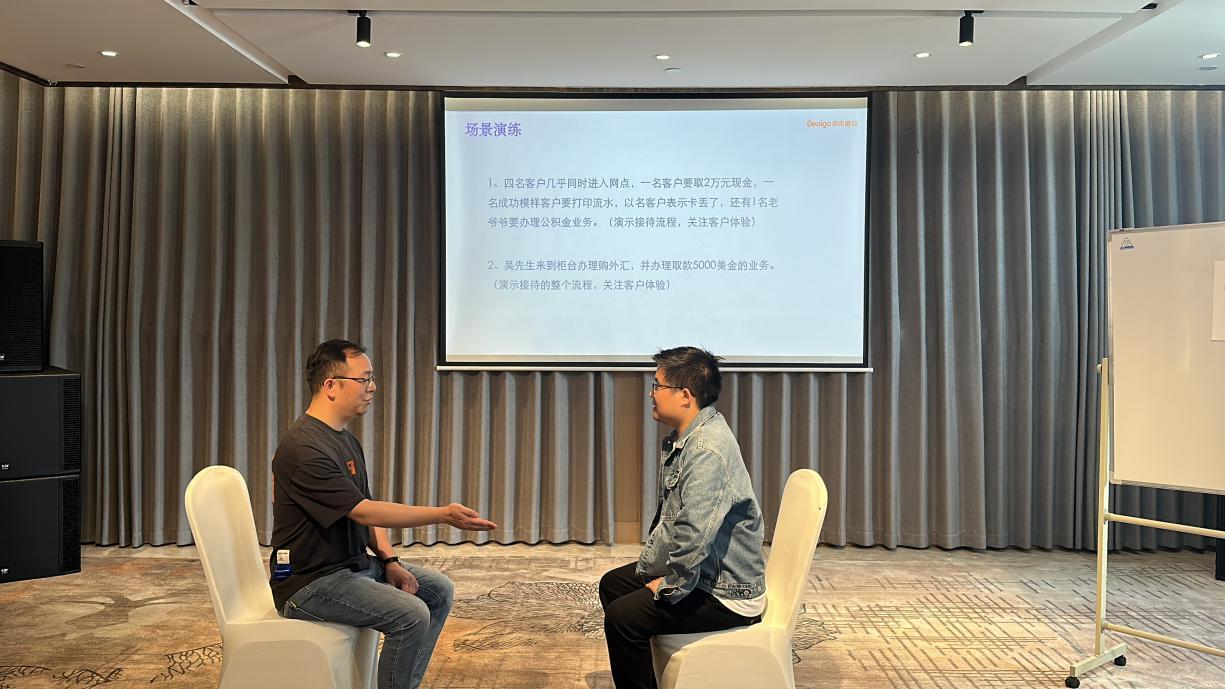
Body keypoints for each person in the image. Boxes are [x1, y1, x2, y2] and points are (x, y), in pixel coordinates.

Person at [269, 339, 497, 689]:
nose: (372, 387)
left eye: (372, 379)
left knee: (437, 590)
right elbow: (364, 512)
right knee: (411, 614)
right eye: (364, 379)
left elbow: (366, 506)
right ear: (330, 385)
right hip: (309, 584)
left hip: (351, 566)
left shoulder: (343, 439)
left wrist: (391, 561)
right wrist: (443, 514)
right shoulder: (304, 448)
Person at [599, 346, 767, 689]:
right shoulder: (693, 436)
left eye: (657, 385)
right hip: (706, 574)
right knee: (613, 585)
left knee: (623, 618)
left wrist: (670, 584)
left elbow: (694, 534)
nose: (651, 393)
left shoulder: (706, 450)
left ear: (686, 396)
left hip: (726, 592)